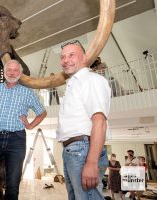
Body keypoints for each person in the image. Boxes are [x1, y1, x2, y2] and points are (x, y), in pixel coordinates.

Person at [0, 59, 47, 200]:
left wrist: (30, 125)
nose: (12, 73)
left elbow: (42, 112)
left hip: (16, 140)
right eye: (9, 70)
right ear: (5, 72)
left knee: (13, 184)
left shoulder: (27, 93)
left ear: (20, 73)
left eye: (15, 70)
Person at [56, 40, 111, 200]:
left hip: (83, 150)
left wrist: (92, 162)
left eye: (71, 55)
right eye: (63, 57)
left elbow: (100, 121)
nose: (65, 60)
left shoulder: (92, 80)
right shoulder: (73, 85)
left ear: (84, 58)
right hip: (72, 151)